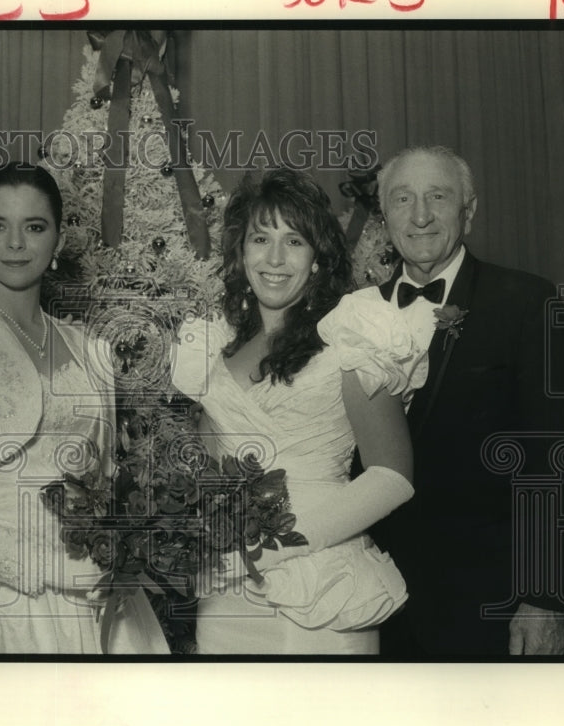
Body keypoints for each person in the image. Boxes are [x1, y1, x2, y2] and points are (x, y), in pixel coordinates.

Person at [0, 162, 168, 654]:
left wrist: (116, 550)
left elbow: (102, 482)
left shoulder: (91, 350)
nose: (15, 244)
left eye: (34, 227)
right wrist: (50, 568)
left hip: (95, 593)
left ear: (58, 239)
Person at [171, 167, 428, 654]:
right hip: (228, 595)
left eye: (293, 242)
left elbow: (392, 476)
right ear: (241, 251)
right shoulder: (214, 349)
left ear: (317, 258)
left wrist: (273, 549)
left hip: (323, 588)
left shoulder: (353, 337)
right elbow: (208, 471)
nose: (274, 258)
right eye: (260, 238)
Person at [368, 145, 564, 657]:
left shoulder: (527, 302)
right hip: (374, 598)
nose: (420, 216)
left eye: (437, 197)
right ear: (385, 216)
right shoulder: (356, 313)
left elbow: (557, 459)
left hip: (493, 604)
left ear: (469, 210)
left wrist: (545, 598)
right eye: (403, 199)